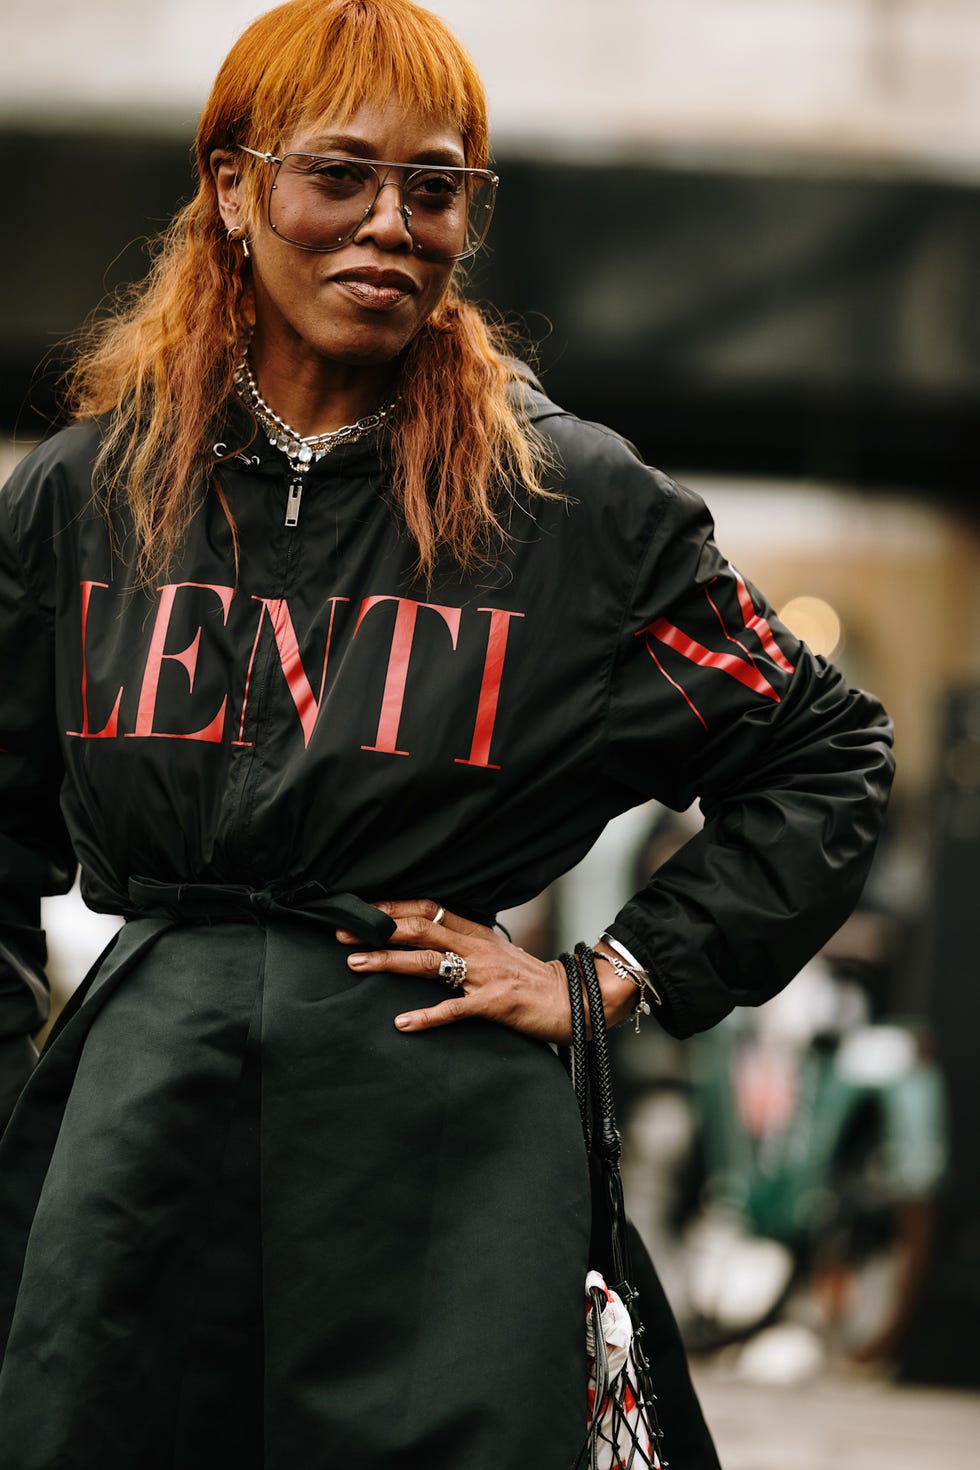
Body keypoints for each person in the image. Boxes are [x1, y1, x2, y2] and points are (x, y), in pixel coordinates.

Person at [0, 1, 894, 1466]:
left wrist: (613, 976)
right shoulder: (91, 496)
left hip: (441, 1153)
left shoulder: (572, 508)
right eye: (338, 176)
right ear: (234, 188)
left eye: (437, 187)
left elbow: (829, 751)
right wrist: (19, 1134)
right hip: (136, 1153)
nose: (391, 224)